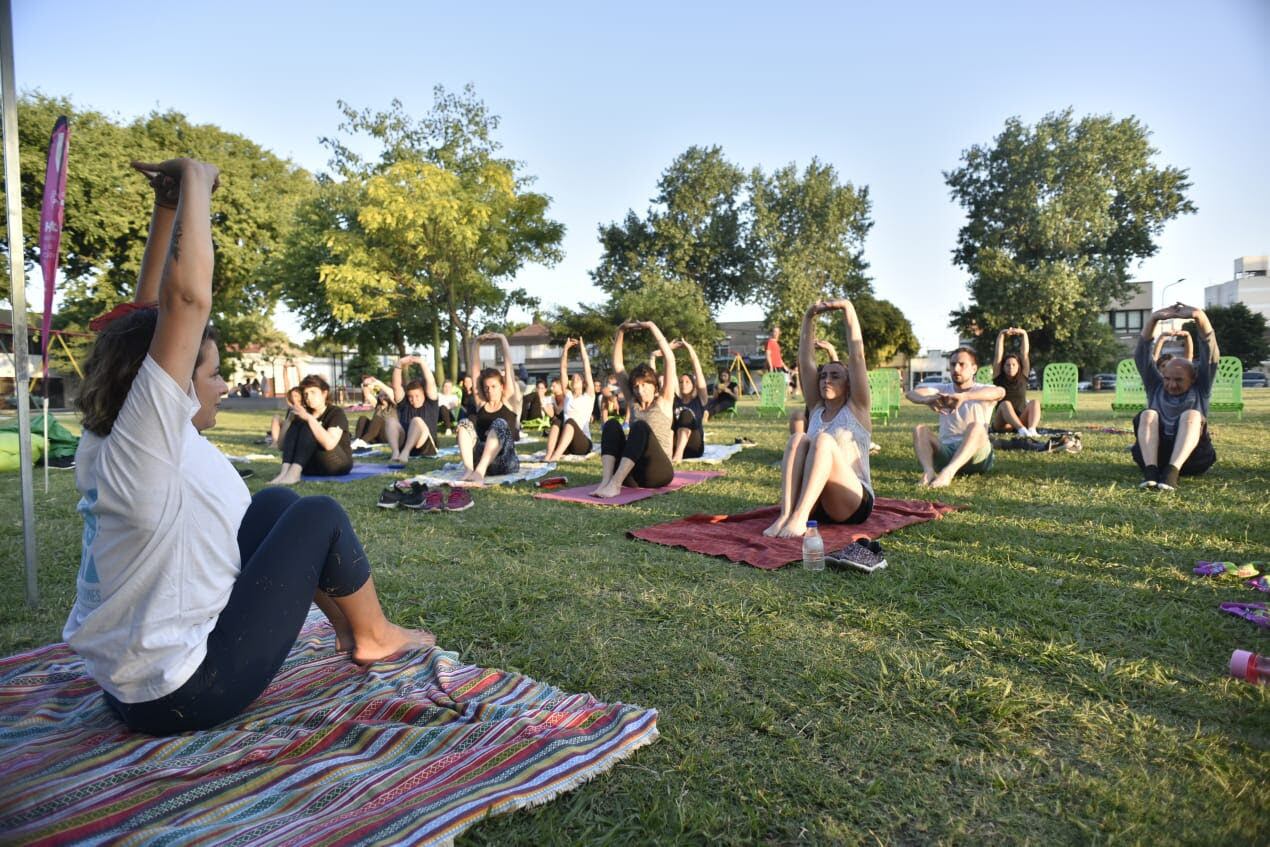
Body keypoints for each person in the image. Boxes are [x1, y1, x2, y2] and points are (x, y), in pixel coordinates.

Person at [66, 157, 431, 736]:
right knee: (317, 513)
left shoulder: (110, 430)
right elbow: (184, 301)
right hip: (186, 693)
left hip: (132, 687)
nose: (223, 384)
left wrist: (166, 208)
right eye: (210, 372)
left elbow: (144, 316)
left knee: (277, 506)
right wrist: (195, 182)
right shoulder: (148, 439)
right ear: (174, 384)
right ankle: (373, 636)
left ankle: (346, 630)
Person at [764, 300, 875, 538]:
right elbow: (806, 362)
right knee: (798, 438)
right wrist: (808, 317)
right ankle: (786, 513)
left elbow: (857, 355)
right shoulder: (816, 408)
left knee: (823, 440)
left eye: (835, 376)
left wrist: (847, 308)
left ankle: (799, 517)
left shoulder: (858, 408)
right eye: (823, 375)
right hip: (817, 500)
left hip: (852, 500)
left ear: (848, 384)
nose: (826, 380)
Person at [1133, 304, 1220, 490]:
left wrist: (1199, 317)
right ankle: (1151, 472)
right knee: (1148, 414)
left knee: (1192, 415)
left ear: (1193, 378)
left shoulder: (1201, 387)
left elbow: (1210, 354)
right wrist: (1153, 319)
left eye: (1179, 380)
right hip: (1156, 457)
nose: (1171, 385)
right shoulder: (1155, 385)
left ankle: (1172, 473)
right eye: (1167, 379)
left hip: (1193, 459)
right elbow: (1142, 355)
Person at [593, 321, 677, 498]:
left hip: (658, 473)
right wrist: (621, 330)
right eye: (637, 386)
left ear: (654, 386)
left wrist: (652, 327)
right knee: (611, 425)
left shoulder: (664, 401)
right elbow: (618, 365)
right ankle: (606, 481)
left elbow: (669, 359)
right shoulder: (633, 401)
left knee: (639, 427)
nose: (640, 390)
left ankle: (615, 485)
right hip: (634, 475)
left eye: (645, 385)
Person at [907, 347, 1005, 488]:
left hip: (977, 456)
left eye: (961, 364)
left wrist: (964, 397)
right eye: (953, 364)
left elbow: (1000, 391)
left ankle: (948, 473)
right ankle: (928, 472)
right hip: (947, 452)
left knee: (977, 426)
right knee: (919, 429)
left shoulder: (982, 390)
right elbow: (911, 394)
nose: (956, 369)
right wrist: (927, 400)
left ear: (974, 369)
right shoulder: (943, 390)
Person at [457, 332, 523, 485]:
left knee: (499, 423)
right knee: (464, 423)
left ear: (502, 386)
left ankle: (479, 472)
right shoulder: (482, 403)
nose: (489, 390)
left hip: (504, 461)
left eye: (493, 386)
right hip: (480, 459)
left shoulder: (509, 401)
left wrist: (502, 338)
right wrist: (476, 343)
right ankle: (469, 469)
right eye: (486, 387)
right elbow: (475, 372)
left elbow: (509, 366)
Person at [269, 374, 354, 484]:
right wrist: (289, 421)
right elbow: (281, 446)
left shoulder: (336, 413)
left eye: (313, 392)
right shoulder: (304, 412)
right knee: (298, 422)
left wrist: (309, 418)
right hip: (310, 466)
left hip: (336, 463)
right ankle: (285, 473)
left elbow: (329, 444)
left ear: (324, 393)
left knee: (309, 424)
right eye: (306, 394)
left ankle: (294, 474)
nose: (309, 397)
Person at [364, 355, 440, 464]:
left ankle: (405, 452)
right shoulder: (405, 404)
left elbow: (431, 383)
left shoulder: (431, 403)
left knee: (416, 420)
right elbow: (396, 386)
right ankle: (396, 452)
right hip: (404, 441)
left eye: (417, 396)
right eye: (410, 397)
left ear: (424, 394)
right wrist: (399, 364)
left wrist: (422, 363)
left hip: (425, 445)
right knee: (390, 420)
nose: (413, 399)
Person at [544, 338, 596, 461]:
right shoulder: (568, 395)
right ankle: (549, 454)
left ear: (584, 383)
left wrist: (582, 348)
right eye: (573, 379)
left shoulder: (588, 396)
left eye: (578, 378)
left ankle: (556, 456)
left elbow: (587, 368)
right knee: (557, 421)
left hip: (582, 444)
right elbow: (563, 369)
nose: (574, 379)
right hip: (567, 444)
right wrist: (565, 349)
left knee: (570, 422)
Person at [658, 339, 709, 463]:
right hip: (672, 446)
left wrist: (690, 349)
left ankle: (678, 455)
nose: (683, 384)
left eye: (687, 382)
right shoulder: (674, 400)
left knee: (685, 414)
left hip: (693, 448)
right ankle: (671, 455)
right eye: (681, 382)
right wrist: (667, 350)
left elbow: (698, 371)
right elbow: (668, 372)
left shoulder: (700, 400)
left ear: (693, 385)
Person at [990, 327, 1041, 436]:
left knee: (1035, 402)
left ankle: (1032, 430)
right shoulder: (998, 377)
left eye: (1014, 365)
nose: (1011, 367)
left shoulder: (1023, 376)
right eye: (1007, 365)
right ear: (1003, 367)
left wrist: (1023, 333)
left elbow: (1024, 354)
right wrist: (1001, 334)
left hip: (1020, 419)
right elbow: (998, 355)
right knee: (1005, 404)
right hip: (1003, 423)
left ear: (1019, 367)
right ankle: (1022, 431)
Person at [765, 324, 790, 393]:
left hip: (779, 367)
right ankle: (774, 399)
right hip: (774, 366)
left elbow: (779, 357)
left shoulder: (776, 344)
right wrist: (770, 366)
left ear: (779, 333)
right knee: (775, 385)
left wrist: (784, 366)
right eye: (774, 331)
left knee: (782, 383)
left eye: (777, 332)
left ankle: (779, 398)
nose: (775, 333)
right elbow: (768, 354)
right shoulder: (770, 342)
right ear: (772, 333)